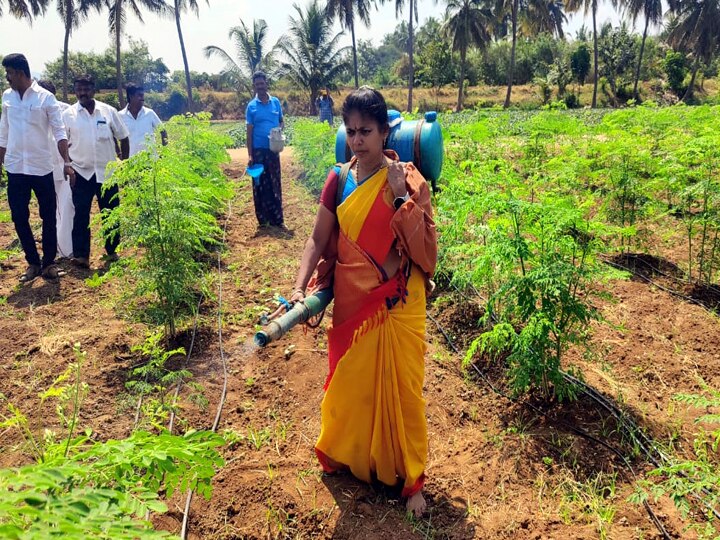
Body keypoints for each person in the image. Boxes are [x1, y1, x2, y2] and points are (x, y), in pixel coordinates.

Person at [289, 87, 437, 517]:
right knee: (351, 388)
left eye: (366, 131)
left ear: (385, 131)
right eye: (351, 131)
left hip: (397, 304)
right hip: (353, 303)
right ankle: (353, 457)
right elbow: (318, 239)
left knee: (404, 394)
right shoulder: (337, 179)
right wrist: (300, 288)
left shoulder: (409, 180)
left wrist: (399, 198)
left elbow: (427, 252)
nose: (358, 140)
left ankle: (411, 483)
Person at [0, 54, 74, 282]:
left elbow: (59, 132)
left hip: (42, 168)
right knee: (19, 217)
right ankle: (32, 262)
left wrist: (67, 162)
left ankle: (49, 263)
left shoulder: (46, 98)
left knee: (48, 215)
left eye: (9, 73)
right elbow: (4, 133)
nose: (7, 78)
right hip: (15, 168)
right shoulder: (7, 97)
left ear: (20, 73)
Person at [62, 74, 129, 268]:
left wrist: (124, 163)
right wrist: (68, 165)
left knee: (110, 213)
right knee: (81, 215)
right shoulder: (68, 115)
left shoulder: (108, 112)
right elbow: (62, 142)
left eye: (86, 89)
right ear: (75, 91)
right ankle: (81, 255)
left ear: (94, 90)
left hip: (107, 173)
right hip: (81, 173)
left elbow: (124, 137)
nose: (82, 93)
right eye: (79, 89)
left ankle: (112, 251)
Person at [37, 79, 74, 259]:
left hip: (65, 165)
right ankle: (57, 248)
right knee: (51, 210)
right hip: (43, 167)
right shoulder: (33, 110)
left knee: (66, 207)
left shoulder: (67, 110)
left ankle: (65, 249)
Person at [246, 71, 284, 228]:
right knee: (260, 184)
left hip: (273, 150)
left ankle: (277, 219)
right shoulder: (251, 107)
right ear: (254, 87)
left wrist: (278, 131)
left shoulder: (275, 103)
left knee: (275, 183)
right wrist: (249, 155)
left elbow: (282, 122)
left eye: (262, 83)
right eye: (257, 85)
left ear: (266, 83)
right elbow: (249, 132)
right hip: (258, 152)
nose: (260, 87)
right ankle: (263, 220)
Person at [118, 83, 167, 157]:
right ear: (131, 96)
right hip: (131, 164)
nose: (142, 98)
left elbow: (163, 131)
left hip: (151, 162)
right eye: (139, 95)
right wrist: (119, 154)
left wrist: (164, 152)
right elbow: (113, 137)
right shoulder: (120, 116)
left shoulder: (149, 113)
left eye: (143, 95)